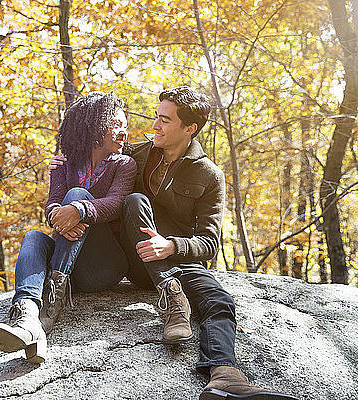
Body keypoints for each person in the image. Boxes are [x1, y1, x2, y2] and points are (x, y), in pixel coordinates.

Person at [50, 86, 297, 400]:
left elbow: (209, 243)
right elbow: (92, 165)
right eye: (156, 117)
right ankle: (170, 298)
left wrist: (172, 246)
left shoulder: (210, 175)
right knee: (136, 199)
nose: (155, 126)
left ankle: (224, 375)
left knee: (218, 300)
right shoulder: (133, 155)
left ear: (189, 128)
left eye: (164, 121)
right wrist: (63, 162)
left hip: (175, 260)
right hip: (133, 256)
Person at [0, 91, 137, 364]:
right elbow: (51, 205)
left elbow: (116, 203)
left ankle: (53, 300)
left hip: (103, 266)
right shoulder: (64, 164)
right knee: (33, 237)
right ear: (96, 126)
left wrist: (78, 210)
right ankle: (29, 317)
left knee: (76, 195)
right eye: (117, 125)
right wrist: (59, 216)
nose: (124, 132)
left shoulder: (124, 164)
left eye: (124, 126)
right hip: (73, 269)